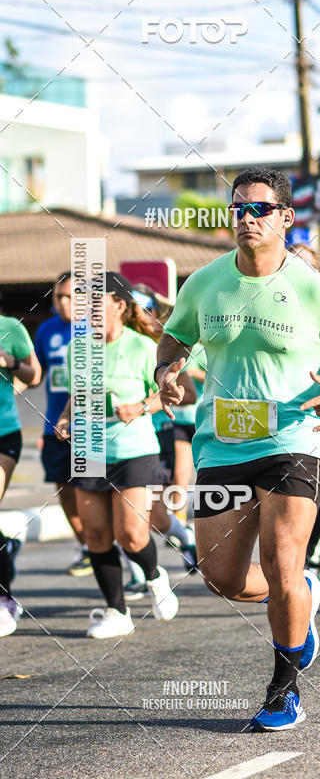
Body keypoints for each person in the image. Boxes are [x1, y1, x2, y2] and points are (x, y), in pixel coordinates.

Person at [156, 167, 320, 731]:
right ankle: (302, 599)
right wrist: (167, 368)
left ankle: (283, 690)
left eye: (259, 209)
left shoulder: (313, 288)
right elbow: (175, 333)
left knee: (283, 564)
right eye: (238, 208)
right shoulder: (205, 282)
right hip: (223, 446)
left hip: (294, 439)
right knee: (222, 577)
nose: (246, 218)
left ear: (285, 217)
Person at [54, 272, 183, 639]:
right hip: (90, 448)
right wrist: (65, 418)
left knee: (131, 534)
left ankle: (156, 578)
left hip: (134, 450)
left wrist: (141, 406)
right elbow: (75, 396)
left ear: (119, 305)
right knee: (95, 534)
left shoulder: (144, 348)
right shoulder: (78, 349)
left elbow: (170, 396)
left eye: (95, 301)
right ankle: (117, 612)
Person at [122, 285, 198, 601]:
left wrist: (145, 404)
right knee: (126, 514)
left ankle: (184, 539)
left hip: (158, 434)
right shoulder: (108, 345)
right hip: (120, 442)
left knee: (153, 515)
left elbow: (190, 395)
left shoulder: (159, 345)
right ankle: (140, 575)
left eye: (141, 306)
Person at [32, 272, 92, 575]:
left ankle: (107, 545)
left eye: (71, 296)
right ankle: (87, 547)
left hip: (93, 428)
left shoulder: (97, 328)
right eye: (59, 297)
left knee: (91, 489)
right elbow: (34, 374)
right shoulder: (46, 330)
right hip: (55, 426)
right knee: (65, 489)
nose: (64, 303)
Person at [289, 242, 320, 596]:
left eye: (306, 266)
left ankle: (314, 563)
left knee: (319, 491)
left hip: (318, 414)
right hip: (272, 418)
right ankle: (294, 571)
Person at [0, 310, 42, 636]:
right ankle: (6, 545)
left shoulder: (9, 328)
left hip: (3, 433)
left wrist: (10, 363)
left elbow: (35, 376)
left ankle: (4, 598)